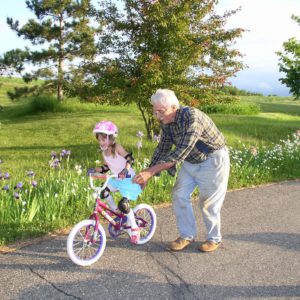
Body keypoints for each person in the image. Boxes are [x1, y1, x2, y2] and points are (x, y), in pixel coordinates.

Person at [133, 89, 230, 252]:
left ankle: (214, 238)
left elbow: (180, 152)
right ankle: (187, 235)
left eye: (161, 111)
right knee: (179, 194)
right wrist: (148, 174)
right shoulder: (167, 124)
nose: (158, 116)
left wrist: (150, 172)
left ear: (174, 107)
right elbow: (162, 149)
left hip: (213, 160)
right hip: (191, 161)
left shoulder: (193, 117)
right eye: (155, 111)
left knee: (208, 203)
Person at [91, 120, 142, 244]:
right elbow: (107, 167)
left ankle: (135, 228)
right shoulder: (104, 153)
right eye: (99, 140)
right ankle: (116, 211)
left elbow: (130, 159)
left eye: (103, 139)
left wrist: (125, 170)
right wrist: (96, 170)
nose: (101, 142)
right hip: (117, 179)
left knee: (123, 204)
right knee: (103, 192)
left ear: (111, 138)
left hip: (129, 179)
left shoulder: (117, 148)